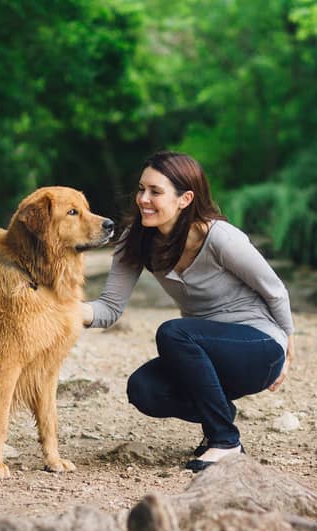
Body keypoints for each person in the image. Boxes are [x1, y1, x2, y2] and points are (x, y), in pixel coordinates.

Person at [82, 151, 294, 472]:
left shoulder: (219, 237)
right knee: (144, 388)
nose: (143, 199)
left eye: (156, 192)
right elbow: (108, 308)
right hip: (204, 352)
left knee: (174, 332)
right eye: (141, 189)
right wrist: (57, 310)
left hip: (259, 347)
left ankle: (225, 441)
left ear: (185, 199)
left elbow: (274, 289)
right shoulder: (135, 240)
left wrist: (287, 347)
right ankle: (220, 413)